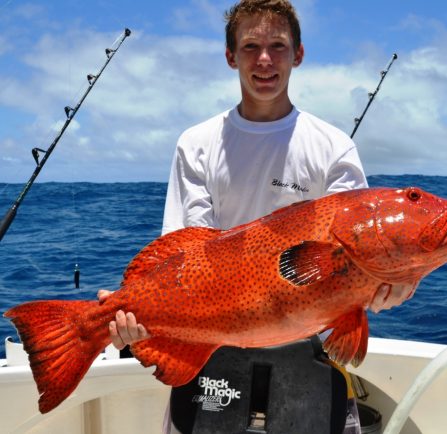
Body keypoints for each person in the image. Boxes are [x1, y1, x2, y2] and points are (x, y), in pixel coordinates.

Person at [99, 1, 415, 432]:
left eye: (278, 46)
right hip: (210, 350)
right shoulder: (197, 144)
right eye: (250, 46)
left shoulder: (333, 147)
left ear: (298, 54)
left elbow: (352, 258)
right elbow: (185, 251)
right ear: (231, 56)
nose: (264, 59)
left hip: (311, 356)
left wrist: (388, 287)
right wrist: (132, 313)